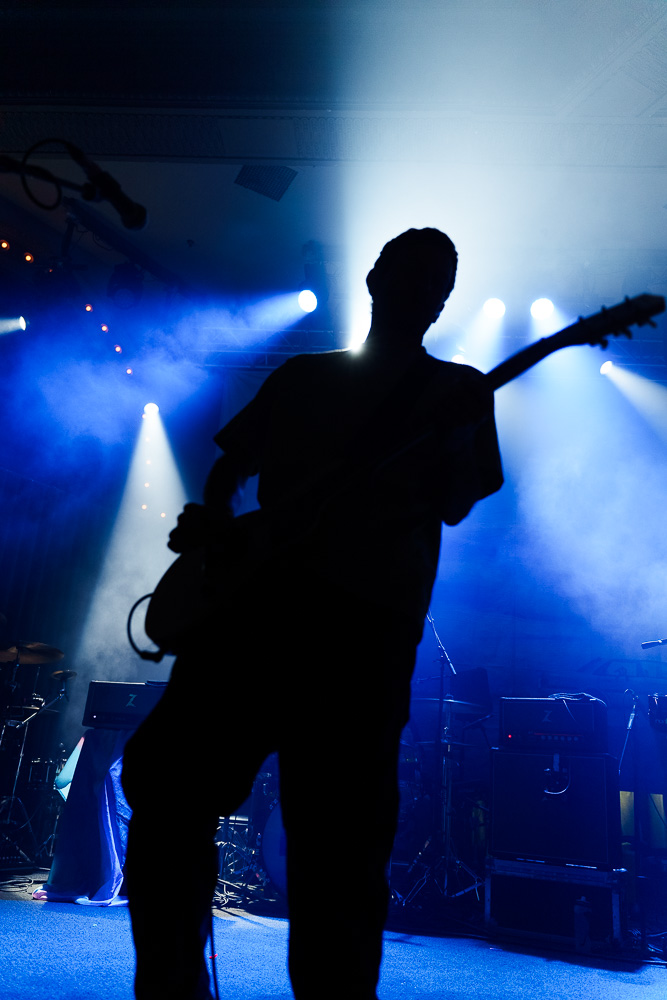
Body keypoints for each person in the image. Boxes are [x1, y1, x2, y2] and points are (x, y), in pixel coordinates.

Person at [121, 227, 503, 1000]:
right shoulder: (302, 377)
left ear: (442, 301)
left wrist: (455, 434)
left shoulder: (457, 391)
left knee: (338, 854)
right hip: (265, 619)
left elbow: (460, 502)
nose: (421, 289)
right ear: (372, 279)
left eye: (436, 279)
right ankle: (171, 981)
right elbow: (232, 462)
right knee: (167, 787)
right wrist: (215, 524)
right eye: (410, 272)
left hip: (359, 640)